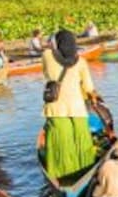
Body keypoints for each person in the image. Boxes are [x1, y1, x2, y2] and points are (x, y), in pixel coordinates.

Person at [42, 29, 98, 180]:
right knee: (83, 143)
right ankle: (84, 174)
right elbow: (89, 88)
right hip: (78, 108)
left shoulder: (47, 56)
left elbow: (46, 73)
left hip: (56, 108)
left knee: (61, 143)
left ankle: (62, 177)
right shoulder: (81, 62)